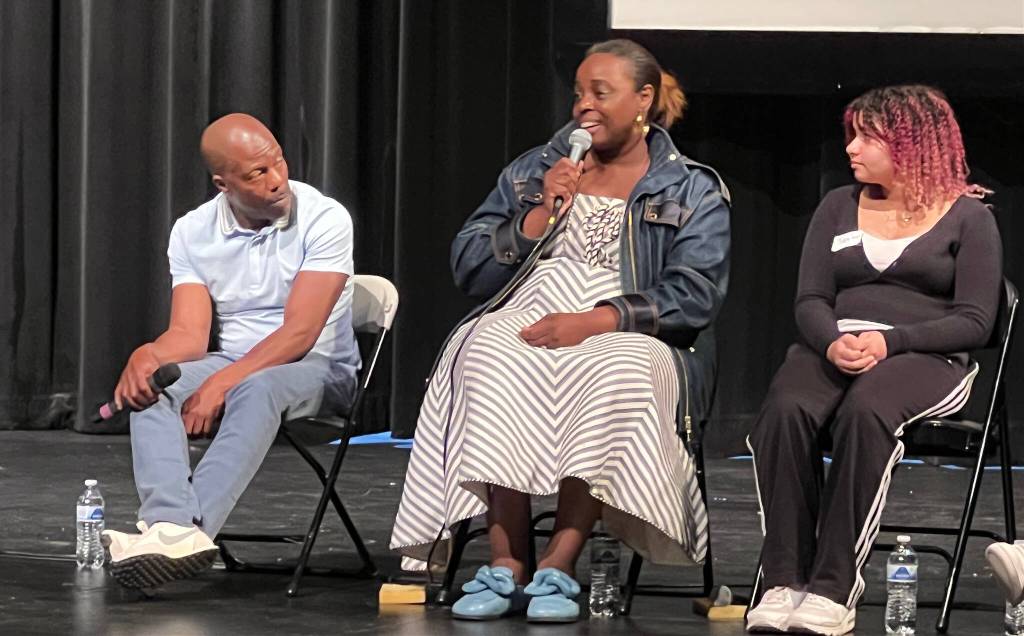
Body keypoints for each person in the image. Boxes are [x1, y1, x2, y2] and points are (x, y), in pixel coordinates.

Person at [389, 39, 731, 623]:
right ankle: (506, 561)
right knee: (487, 353)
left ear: (643, 99)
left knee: (612, 367)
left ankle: (558, 563)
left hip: (630, 328)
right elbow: (469, 264)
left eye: (602, 93)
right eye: (579, 94)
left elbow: (696, 292)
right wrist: (538, 214)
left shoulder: (690, 187)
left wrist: (597, 320)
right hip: (528, 309)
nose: (583, 107)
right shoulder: (535, 170)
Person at [745, 85, 1002, 635]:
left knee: (866, 411)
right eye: (852, 135)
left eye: (867, 137)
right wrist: (832, 340)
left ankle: (834, 589)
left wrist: (893, 342)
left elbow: (975, 321)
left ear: (911, 143)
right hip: (836, 344)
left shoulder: (968, 217)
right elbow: (810, 299)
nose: (852, 149)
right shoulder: (838, 205)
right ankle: (782, 580)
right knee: (785, 408)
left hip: (926, 357)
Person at [100, 113, 360, 590]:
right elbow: (189, 336)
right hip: (237, 363)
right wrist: (148, 356)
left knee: (257, 386)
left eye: (278, 162)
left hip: (319, 370)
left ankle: (188, 535)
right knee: (155, 389)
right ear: (224, 184)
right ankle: (170, 526)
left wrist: (223, 381)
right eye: (258, 174)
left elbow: (300, 334)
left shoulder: (325, 217)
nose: (278, 180)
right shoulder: (193, 231)